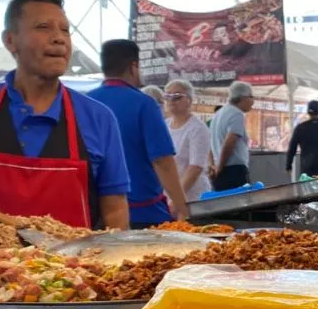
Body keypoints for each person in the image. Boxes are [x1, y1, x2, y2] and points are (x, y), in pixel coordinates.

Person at [0, 0, 130, 251]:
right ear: (10, 40)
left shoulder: (98, 118)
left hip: (72, 280)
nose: (59, 38)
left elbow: (114, 208)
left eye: (65, 30)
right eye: (43, 27)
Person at [88, 40, 189, 227]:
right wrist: (182, 206)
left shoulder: (85, 102)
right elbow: (162, 161)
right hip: (143, 215)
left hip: (95, 215)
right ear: (133, 67)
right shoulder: (144, 104)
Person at [164, 79, 211, 202]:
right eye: (168, 96)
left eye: (177, 97)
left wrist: (177, 198)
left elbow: (195, 167)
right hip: (168, 195)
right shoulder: (164, 125)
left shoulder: (198, 128)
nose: (171, 101)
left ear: (189, 100)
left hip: (192, 197)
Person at [210, 81, 255, 191]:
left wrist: (212, 166)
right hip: (233, 171)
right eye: (251, 97)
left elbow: (209, 144)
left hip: (219, 170)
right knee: (240, 205)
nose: (253, 101)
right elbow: (229, 143)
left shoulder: (218, 114)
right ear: (243, 97)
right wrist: (220, 167)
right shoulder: (236, 114)